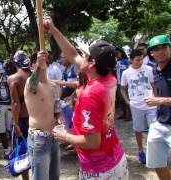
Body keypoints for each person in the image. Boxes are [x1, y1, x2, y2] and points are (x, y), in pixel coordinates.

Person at [45, 18, 128, 179]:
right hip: (115, 156)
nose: (80, 57)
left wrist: (65, 137)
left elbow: (92, 142)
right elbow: (73, 54)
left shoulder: (90, 94)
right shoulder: (108, 77)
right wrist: (53, 30)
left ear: (92, 63)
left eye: (85, 55)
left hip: (100, 170)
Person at [24, 49, 62, 180]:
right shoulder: (30, 82)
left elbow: (56, 110)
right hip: (38, 136)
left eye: (43, 59)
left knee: (54, 176)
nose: (41, 62)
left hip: (53, 135)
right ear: (31, 65)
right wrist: (39, 66)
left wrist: (58, 119)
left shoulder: (52, 85)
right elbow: (33, 84)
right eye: (36, 61)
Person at [120, 49, 156, 164]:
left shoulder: (149, 69)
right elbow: (122, 88)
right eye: (137, 60)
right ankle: (141, 151)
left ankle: (153, 152)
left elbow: (153, 85)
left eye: (141, 59)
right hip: (136, 105)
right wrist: (127, 101)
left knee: (154, 129)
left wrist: (157, 99)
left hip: (151, 104)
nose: (140, 62)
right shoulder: (126, 73)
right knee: (138, 129)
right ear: (131, 60)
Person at [145, 35, 171, 180]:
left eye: (164, 47)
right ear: (151, 53)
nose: (160, 51)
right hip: (159, 123)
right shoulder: (154, 69)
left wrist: (160, 100)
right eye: (156, 49)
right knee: (156, 161)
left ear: (170, 48)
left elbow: (159, 97)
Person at [7, 50, 31, 180]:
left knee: (22, 153)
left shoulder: (13, 79)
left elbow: (15, 103)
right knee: (36, 150)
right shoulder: (35, 76)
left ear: (15, 63)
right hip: (35, 118)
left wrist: (15, 124)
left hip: (21, 119)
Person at [115, 47, 130, 120]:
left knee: (126, 98)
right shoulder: (115, 62)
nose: (117, 54)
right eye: (116, 53)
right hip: (118, 83)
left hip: (125, 83)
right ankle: (123, 114)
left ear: (121, 53)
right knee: (120, 100)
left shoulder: (126, 61)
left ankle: (129, 115)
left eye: (118, 52)